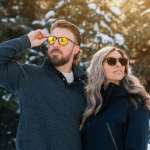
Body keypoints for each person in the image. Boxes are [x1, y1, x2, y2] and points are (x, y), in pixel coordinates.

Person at [0, 20, 87, 150]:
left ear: (76, 49)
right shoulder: (27, 76)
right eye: (52, 39)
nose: (55, 44)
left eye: (63, 40)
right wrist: (26, 40)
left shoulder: (86, 92)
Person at [80, 46, 150, 150]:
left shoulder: (134, 104)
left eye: (122, 61)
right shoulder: (91, 103)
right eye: (111, 61)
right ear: (99, 66)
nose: (119, 64)